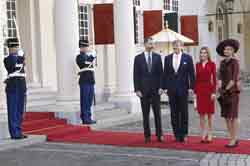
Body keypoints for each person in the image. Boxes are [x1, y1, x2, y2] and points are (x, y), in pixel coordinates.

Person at [162, 40, 195, 142]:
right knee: (174, 113)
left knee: (184, 112)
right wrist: (165, 87)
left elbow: (191, 74)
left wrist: (191, 88)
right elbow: (165, 74)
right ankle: (176, 133)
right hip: (171, 90)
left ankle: (184, 133)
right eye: (174, 46)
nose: (176, 47)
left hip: (183, 89)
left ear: (182, 47)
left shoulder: (187, 58)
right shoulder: (167, 58)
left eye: (178, 46)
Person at [133, 37, 164, 143]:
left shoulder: (157, 57)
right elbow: (136, 75)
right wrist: (137, 89)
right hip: (143, 90)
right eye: (150, 43)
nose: (152, 45)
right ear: (145, 44)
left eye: (153, 43)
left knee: (157, 114)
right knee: (145, 115)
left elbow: (161, 74)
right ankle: (147, 135)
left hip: (156, 90)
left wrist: (161, 87)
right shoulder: (138, 58)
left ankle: (159, 135)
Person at [216, 39, 240, 148]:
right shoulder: (222, 63)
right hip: (223, 92)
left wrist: (225, 90)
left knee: (232, 116)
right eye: (225, 49)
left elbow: (233, 79)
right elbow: (220, 78)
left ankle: (234, 139)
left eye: (229, 49)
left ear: (233, 51)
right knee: (226, 116)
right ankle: (232, 137)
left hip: (232, 92)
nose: (227, 51)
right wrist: (219, 88)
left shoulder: (235, 62)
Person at [4, 38, 27, 139]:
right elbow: (15, 67)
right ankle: (14, 132)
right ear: (10, 48)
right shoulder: (8, 59)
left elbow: (21, 69)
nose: (17, 49)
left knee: (20, 110)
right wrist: (21, 58)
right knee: (13, 109)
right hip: (13, 86)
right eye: (15, 47)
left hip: (21, 85)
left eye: (17, 47)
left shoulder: (18, 58)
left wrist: (21, 58)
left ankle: (19, 130)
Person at [194, 47, 216, 143]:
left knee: (210, 114)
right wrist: (195, 94)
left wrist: (214, 92)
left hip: (209, 90)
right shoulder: (197, 65)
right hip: (200, 90)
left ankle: (210, 133)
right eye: (201, 53)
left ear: (208, 54)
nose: (203, 54)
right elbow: (196, 80)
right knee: (201, 114)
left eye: (205, 53)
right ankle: (203, 133)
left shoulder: (212, 64)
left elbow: (214, 79)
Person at [76, 39, 97, 125]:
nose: (86, 48)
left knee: (89, 100)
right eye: (84, 47)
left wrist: (92, 57)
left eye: (86, 46)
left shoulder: (87, 56)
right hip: (84, 81)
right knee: (84, 100)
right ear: (81, 47)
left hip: (90, 80)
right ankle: (85, 118)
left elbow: (90, 65)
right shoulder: (79, 57)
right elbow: (85, 63)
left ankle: (88, 117)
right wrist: (92, 57)